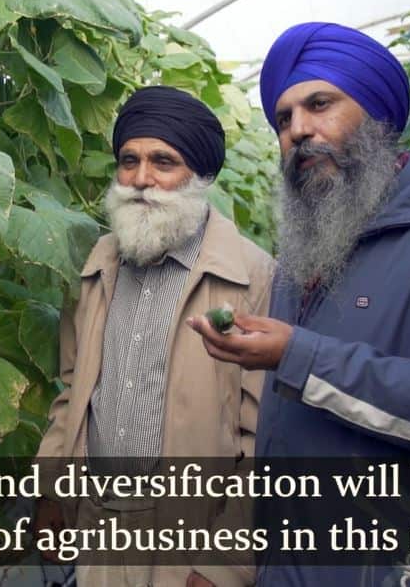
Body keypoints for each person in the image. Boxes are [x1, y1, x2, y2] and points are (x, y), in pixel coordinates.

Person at [186, 22, 410, 585]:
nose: (299, 130)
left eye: (320, 104)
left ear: (377, 115)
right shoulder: (306, 250)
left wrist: (299, 356)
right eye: (283, 119)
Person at [35, 85, 275, 587]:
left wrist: (226, 562)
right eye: (129, 161)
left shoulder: (252, 276)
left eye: (163, 162)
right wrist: (52, 491)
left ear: (200, 175)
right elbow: (74, 391)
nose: (141, 179)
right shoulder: (99, 263)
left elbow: (266, 439)